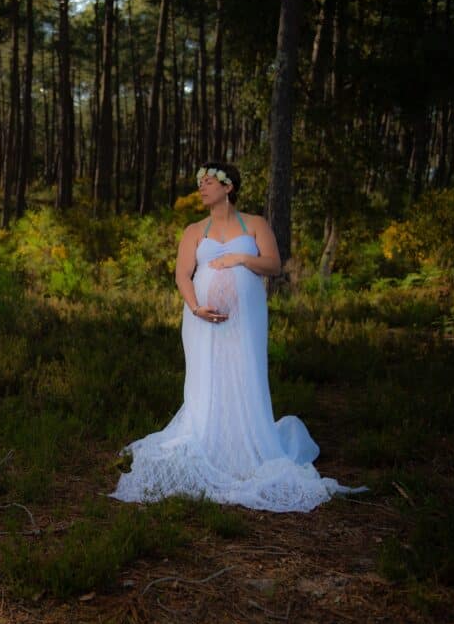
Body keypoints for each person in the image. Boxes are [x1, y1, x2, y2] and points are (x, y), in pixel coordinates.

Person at [110, 162, 365, 512]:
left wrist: (241, 258)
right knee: (207, 377)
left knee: (243, 373)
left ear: (228, 187)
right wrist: (196, 306)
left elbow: (273, 265)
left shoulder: (256, 224)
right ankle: (210, 437)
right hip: (201, 319)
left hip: (246, 320)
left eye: (208, 181)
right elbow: (182, 274)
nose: (201, 187)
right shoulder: (194, 230)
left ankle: (245, 443)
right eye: (200, 182)